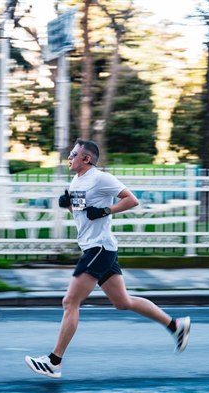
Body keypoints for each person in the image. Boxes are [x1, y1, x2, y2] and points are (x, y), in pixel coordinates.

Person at [24, 139, 190, 379]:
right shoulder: (77, 180)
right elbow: (83, 215)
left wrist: (106, 210)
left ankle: (54, 361)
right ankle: (176, 326)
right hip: (98, 248)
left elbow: (131, 199)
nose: (69, 157)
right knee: (122, 302)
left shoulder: (101, 178)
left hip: (98, 249)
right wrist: (69, 206)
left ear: (86, 159)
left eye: (73, 154)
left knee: (70, 302)